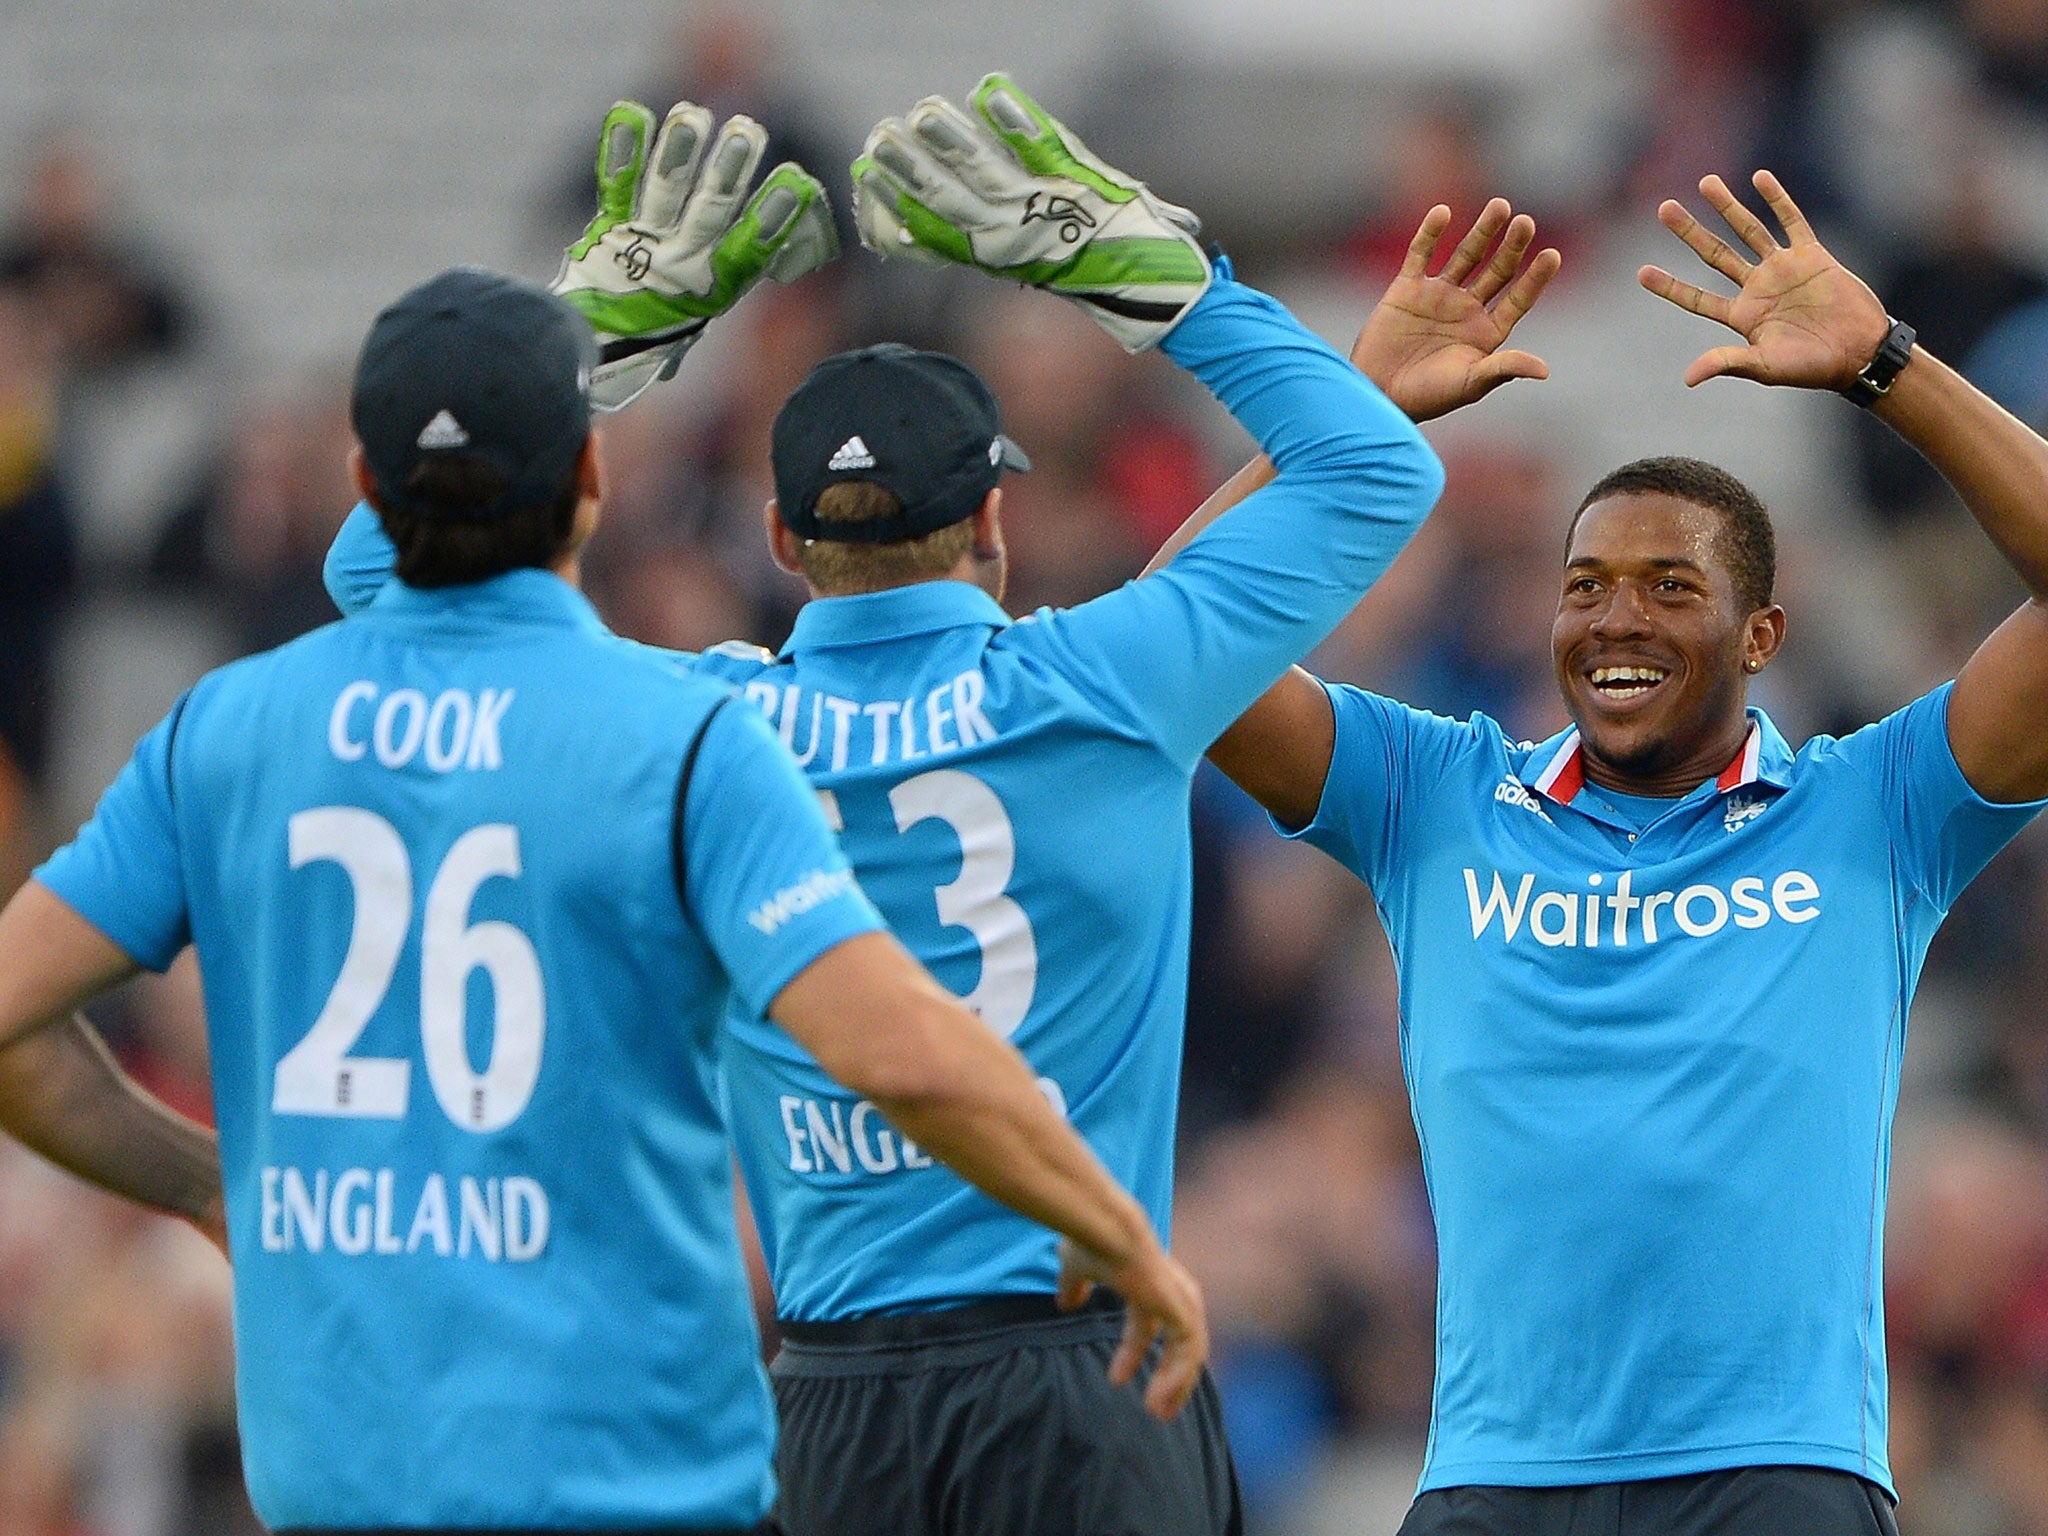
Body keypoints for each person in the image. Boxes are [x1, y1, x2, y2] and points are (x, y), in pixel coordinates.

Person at [326, 72, 1551, 1536]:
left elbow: (379, 586)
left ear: (780, 539)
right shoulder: (1102, 681)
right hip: (1085, 1369)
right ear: (992, 520)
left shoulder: (700, 726)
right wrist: (1141, 271)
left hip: (831, 1408)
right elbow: (1369, 469)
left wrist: (585, 330)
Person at [0, 102, 1207, 1536]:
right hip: (627, 1484)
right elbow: (907, 1056)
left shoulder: (230, 730)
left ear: (369, 490)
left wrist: (213, 1187)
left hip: (341, 1486)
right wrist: (1119, 1230)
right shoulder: (679, 735)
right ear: (588, 477)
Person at [1176, 169, 2048, 1536]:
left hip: (1780, 1477)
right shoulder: (1438, 794)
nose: (1614, 620)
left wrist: (1890, 368)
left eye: (1669, 587)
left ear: (1761, 637)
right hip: (1495, 1484)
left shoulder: (1876, 805)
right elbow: (1175, 651)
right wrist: (1342, 419)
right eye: (1584, 587)